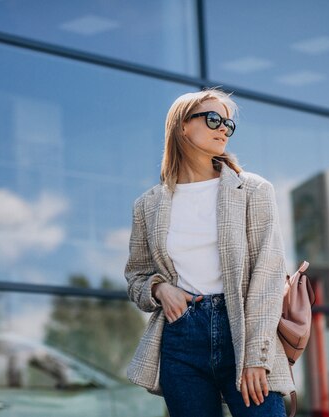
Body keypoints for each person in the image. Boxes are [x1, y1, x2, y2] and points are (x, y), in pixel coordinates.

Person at [124, 87, 295, 417]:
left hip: (242, 331)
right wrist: (160, 289)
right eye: (214, 119)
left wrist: (256, 357)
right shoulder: (147, 205)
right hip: (181, 337)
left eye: (228, 124)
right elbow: (136, 277)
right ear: (183, 125)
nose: (223, 129)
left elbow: (268, 274)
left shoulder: (253, 190)